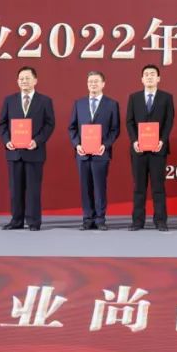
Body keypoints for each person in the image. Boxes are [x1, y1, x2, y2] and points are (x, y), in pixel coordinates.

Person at [0, 66, 55, 231]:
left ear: (35, 80)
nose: (24, 81)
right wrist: (7, 141)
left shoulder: (45, 101)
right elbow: (2, 124)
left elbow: (49, 124)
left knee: (33, 189)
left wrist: (37, 141)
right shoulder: (9, 100)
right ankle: (16, 220)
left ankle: (34, 221)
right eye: (21, 78)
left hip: (34, 151)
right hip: (14, 152)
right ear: (17, 81)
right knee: (15, 189)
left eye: (27, 78)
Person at [67, 70, 120, 231]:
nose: (93, 84)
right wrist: (77, 145)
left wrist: (106, 144)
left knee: (100, 187)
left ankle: (100, 219)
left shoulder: (111, 104)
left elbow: (115, 129)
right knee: (85, 187)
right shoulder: (79, 103)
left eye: (96, 81)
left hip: (101, 153)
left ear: (103, 84)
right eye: (90, 82)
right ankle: (87, 219)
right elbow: (72, 127)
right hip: (82, 154)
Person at [126, 64, 174, 231]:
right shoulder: (134, 98)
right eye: (146, 74)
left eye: (153, 74)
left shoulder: (166, 97)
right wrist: (134, 141)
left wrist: (162, 141)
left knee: (158, 187)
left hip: (158, 150)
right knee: (139, 187)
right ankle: (137, 221)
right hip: (138, 150)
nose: (149, 76)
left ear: (158, 78)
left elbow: (169, 121)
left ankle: (160, 221)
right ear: (142, 79)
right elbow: (129, 122)